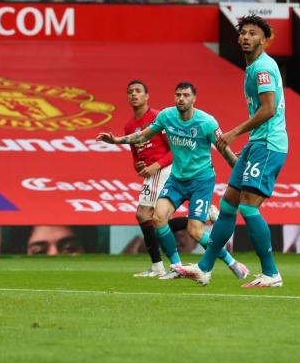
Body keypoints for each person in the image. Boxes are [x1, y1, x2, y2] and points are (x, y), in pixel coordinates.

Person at [175, 16, 288, 288]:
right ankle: (203, 269)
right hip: (256, 144)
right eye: (243, 33)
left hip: (268, 144)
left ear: (263, 39)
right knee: (227, 206)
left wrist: (235, 132)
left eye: (253, 33)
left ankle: (271, 274)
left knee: (249, 208)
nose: (246, 37)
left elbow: (269, 108)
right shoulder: (252, 68)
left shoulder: (262, 68)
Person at [98, 82, 249, 280]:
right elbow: (143, 135)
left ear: (194, 98)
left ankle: (232, 262)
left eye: (186, 95)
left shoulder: (207, 122)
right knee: (158, 218)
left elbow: (225, 151)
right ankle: (177, 267)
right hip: (177, 179)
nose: (181, 99)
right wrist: (116, 140)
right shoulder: (166, 117)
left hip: (201, 181)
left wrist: (242, 176)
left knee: (195, 232)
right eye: (178, 95)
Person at [120, 79, 191, 279]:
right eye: (130, 91)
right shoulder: (129, 127)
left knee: (143, 215)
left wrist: (154, 166)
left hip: (165, 168)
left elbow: (174, 150)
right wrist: (139, 166)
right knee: (158, 219)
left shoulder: (159, 117)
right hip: (151, 172)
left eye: (138, 91)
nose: (134, 94)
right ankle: (200, 217)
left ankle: (158, 266)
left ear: (147, 96)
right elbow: (136, 156)